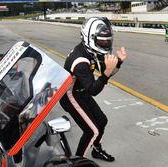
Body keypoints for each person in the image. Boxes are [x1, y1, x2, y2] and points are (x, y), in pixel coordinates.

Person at [59, 17, 127, 162]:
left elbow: (104, 72)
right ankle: (77, 162)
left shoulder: (90, 51)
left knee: (101, 121)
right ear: (89, 38)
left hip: (81, 92)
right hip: (70, 96)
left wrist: (118, 62)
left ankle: (96, 150)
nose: (106, 43)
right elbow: (94, 90)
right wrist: (107, 72)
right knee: (92, 131)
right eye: (102, 41)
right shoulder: (80, 61)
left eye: (108, 40)